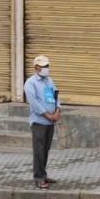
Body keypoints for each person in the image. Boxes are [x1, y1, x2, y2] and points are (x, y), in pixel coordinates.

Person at [24, 55, 61, 189]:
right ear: (36, 68)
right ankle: (39, 178)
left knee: (45, 150)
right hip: (39, 122)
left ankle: (43, 175)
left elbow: (56, 96)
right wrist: (47, 115)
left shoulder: (49, 81)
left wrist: (57, 111)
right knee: (39, 150)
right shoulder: (30, 83)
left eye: (47, 66)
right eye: (44, 67)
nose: (46, 69)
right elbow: (34, 103)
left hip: (50, 122)